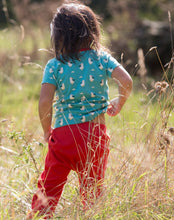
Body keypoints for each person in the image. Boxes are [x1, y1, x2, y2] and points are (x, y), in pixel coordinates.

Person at [27, 2, 132, 219]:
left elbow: (45, 102)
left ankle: (38, 217)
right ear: (93, 30)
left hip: (64, 136)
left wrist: (47, 129)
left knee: (49, 189)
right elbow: (126, 80)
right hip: (95, 136)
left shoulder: (55, 65)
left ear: (58, 36)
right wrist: (119, 102)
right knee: (92, 193)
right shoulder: (101, 58)